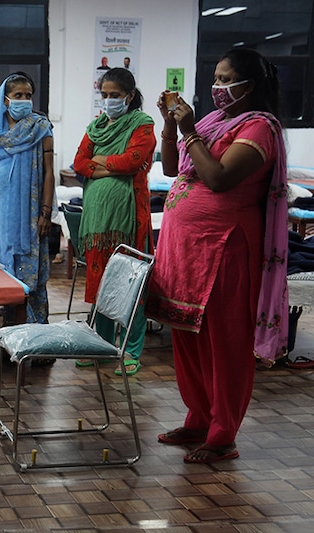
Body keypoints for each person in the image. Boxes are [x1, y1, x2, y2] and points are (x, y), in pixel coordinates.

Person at [146, 48, 287, 464]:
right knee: (186, 332)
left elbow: (219, 178)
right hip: (186, 248)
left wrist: (189, 130)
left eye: (226, 80)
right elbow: (172, 169)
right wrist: (169, 125)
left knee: (223, 341)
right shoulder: (214, 122)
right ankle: (198, 418)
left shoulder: (260, 128)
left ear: (250, 86)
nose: (217, 87)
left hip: (226, 247)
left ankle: (223, 433)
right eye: (216, 79)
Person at [73, 67, 155, 376]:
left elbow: (134, 161)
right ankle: (104, 346)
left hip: (129, 219)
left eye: (115, 95)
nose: (109, 100)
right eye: (105, 95)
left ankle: (131, 350)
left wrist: (100, 163)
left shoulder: (142, 124)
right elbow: (79, 163)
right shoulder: (96, 127)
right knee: (103, 283)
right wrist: (113, 167)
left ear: (129, 96)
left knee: (131, 284)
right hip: (98, 221)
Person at [0, 72, 55, 328]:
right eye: (18, 95)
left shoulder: (40, 128)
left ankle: (33, 324)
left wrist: (46, 212)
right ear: (5, 100)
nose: (24, 100)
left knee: (30, 263)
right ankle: (10, 315)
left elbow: (49, 171)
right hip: (0, 209)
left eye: (28, 96)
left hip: (31, 210)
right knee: (5, 260)